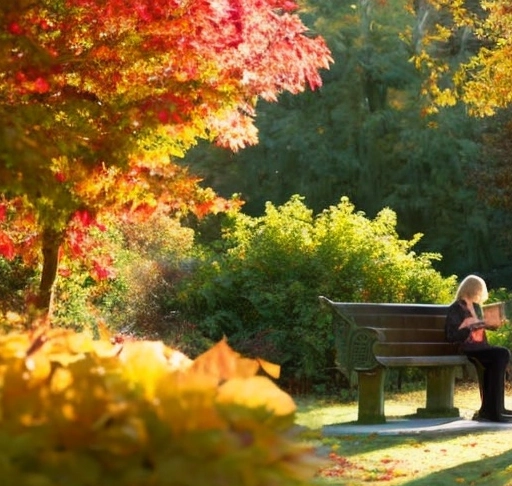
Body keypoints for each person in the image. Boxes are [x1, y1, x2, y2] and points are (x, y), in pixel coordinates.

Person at [445, 274, 511, 423]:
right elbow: (451, 335)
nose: (480, 295)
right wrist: (468, 327)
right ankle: (492, 410)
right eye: (479, 291)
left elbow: (480, 326)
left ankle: (494, 408)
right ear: (471, 289)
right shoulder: (456, 308)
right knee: (501, 354)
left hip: (480, 347)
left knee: (500, 356)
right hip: (467, 348)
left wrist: (493, 324)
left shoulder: (475, 307)